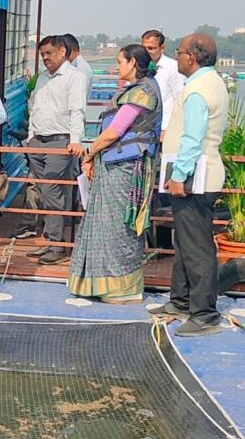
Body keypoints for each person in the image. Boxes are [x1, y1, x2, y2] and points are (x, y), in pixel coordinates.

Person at [149, 33, 229, 337]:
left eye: (180, 52)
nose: (177, 57)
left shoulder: (197, 90)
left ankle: (205, 314)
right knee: (184, 243)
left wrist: (179, 175)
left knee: (196, 248)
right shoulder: (212, 83)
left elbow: (193, 138)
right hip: (200, 175)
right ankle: (181, 301)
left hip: (196, 178)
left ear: (192, 57)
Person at [69, 45, 162, 303]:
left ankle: (121, 288)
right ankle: (103, 283)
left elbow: (115, 131)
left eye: (120, 62)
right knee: (106, 224)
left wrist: (89, 152)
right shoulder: (140, 88)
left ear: (133, 63)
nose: (118, 67)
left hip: (126, 168)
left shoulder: (142, 92)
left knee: (117, 227)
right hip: (116, 164)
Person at [17, 35, 87, 265]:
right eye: (42, 54)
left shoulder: (74, 78)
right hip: (38, 142)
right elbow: (35, 107)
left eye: (49, 53)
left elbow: (77, 110)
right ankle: (50, 240)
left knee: (52, 190)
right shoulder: (43, 78)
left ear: (62, 52)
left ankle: (57, 245)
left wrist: (75, 140)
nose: (45, 58)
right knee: (44, 191)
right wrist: (30, 139)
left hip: (60, 141)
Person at [141, 30, 184, 139]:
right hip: (141, 131)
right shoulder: (138, 67)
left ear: (162, 47)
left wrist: (170, 129)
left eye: (151, 48)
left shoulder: (173, 68)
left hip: (164, 131)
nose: (147, 52)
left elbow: (180, 99)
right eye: (144, 48)